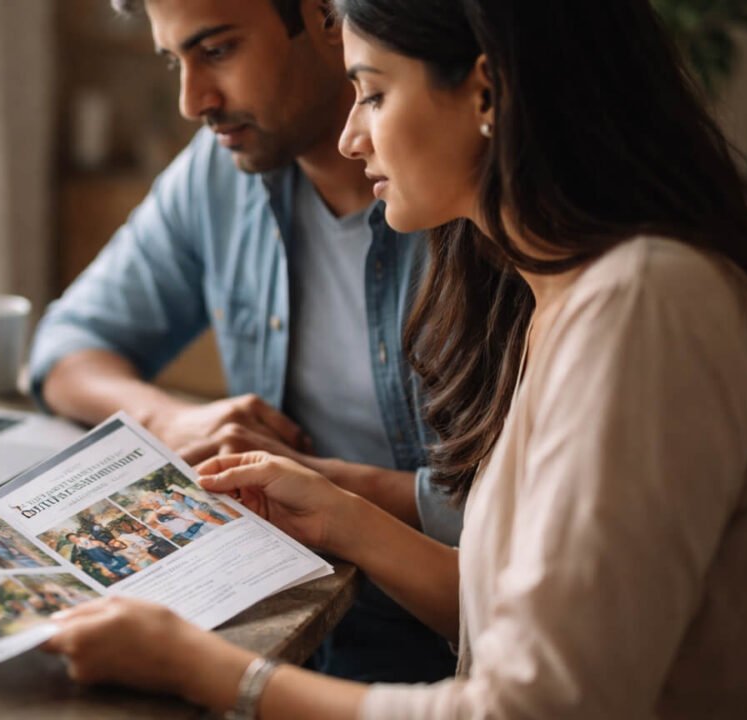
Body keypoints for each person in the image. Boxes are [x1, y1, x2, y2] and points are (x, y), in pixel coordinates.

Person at [43, 0, 747, 716]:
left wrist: (206, 670)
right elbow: (515, 625)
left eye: (376, 93)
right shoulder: (565, 297)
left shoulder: (641, 305)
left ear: (486, 91)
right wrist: (339, 515)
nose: (353, 136)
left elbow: (539, 706)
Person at [31, 0, 458, 682]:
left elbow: (529, 524)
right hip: (283, 618)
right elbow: (68, 344)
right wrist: (171, 417)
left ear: (324, 16)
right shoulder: (220, 172)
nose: (192, 100)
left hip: (439, 646)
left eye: (219, 50)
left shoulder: (468, 195)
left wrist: (333, 492)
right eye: (176, 61)